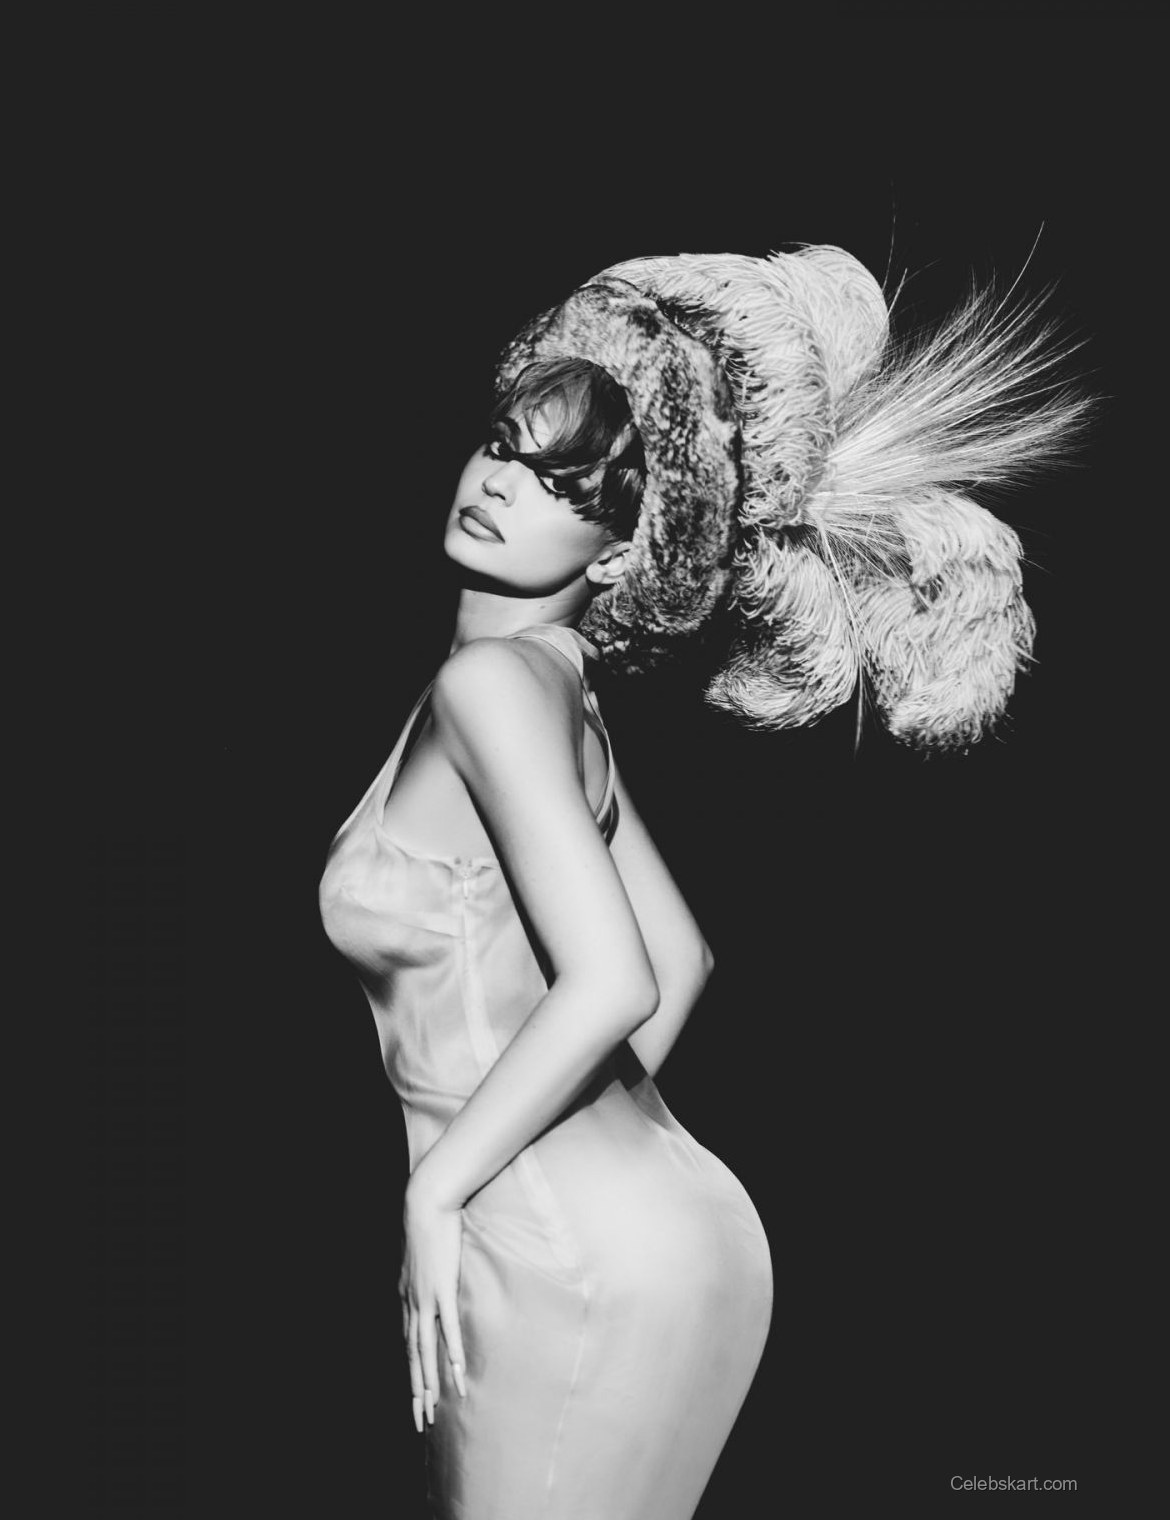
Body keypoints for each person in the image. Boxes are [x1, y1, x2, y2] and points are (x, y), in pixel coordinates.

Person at [318, 246, 1085, 1519]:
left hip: (563, 1247)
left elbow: (617, 978)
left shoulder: (490, 686)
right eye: (505, 444)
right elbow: (683, 962)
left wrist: (445, 1186)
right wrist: (592, 1152)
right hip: (688, 1232)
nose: (501, 483)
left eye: (567, 484)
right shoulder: (562, 693)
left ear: (625, 552)